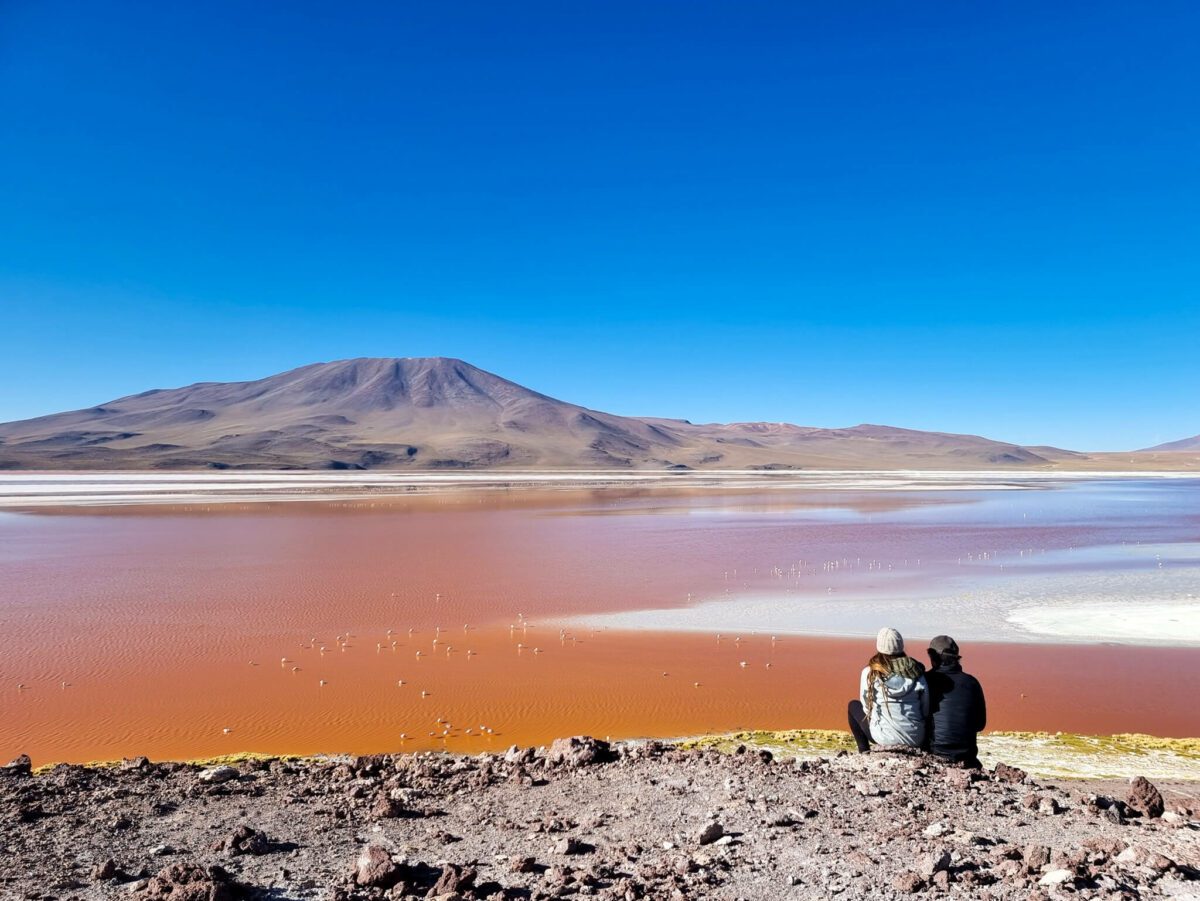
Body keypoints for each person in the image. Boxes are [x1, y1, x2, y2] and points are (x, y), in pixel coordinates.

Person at [847, 627, 928, 753]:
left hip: (882, 737)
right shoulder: (917, 673)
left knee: (853, 706)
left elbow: (866, 707)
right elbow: (925, 708)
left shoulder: (869, 673)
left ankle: (864, 752)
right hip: (915, 738)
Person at [924, 635, 987, 768]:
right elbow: (980, 724)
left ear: (931, 656)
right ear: (956, 658)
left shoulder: (924, 681)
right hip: (967, 757)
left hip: (933, 754)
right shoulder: (972, 682)